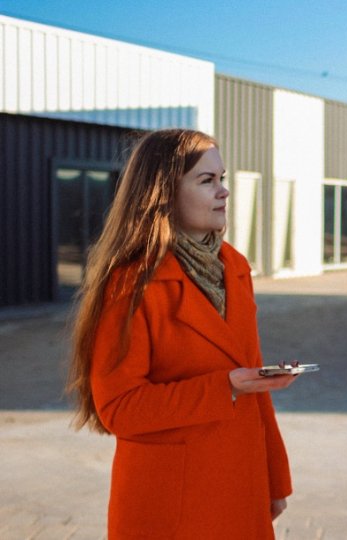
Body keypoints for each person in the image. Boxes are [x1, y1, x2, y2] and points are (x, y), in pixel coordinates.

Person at [66, 129, 297, 539]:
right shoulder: (130, 284)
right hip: (169, 505)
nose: (224, 191)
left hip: (239, 484)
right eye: (207, 181)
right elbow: (119, 408)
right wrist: (225, 387)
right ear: (164, 193)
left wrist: (274, 478)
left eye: (222, 178)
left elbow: (252, 380)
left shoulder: (234, 267)